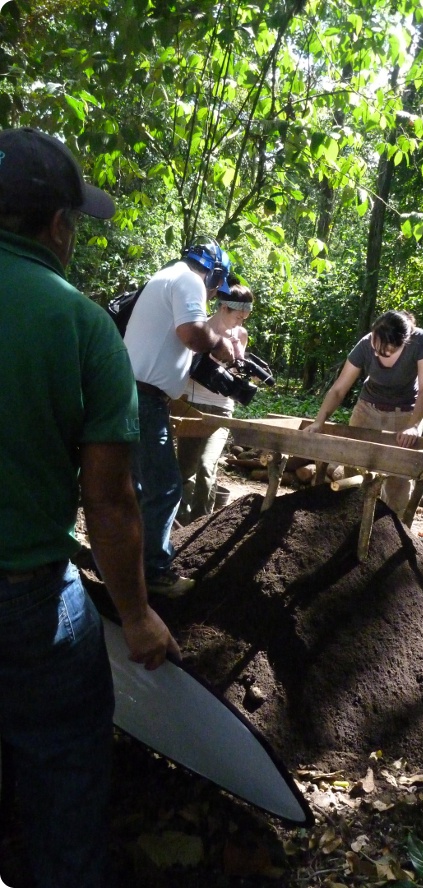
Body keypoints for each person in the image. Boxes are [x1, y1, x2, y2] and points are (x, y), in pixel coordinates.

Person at [0, 127, 179, 888]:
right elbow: (109, 502)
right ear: (57, 225)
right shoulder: (80, 325)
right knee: (62, 775)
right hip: (27, 602)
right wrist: (137, 616)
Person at [123, 235, 235, 596]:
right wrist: (220, 343)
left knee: (141, 487)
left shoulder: (166, 276)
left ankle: (131, 564)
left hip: (134, 393)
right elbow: (191, 334)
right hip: (145, 397)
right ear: (214, 274)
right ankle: (154, 572)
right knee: (167, 488)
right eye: (218, 286)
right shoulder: (189, 280)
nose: (216, 294)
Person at [306, 310, 423, 517]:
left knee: (398, 477)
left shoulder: (421, 342)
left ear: (404, 342)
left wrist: (413, 425)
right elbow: (339, 389)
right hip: (368, 408)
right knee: (352, 464)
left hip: (405, 411)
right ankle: (348, 519)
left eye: (385, 352)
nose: (377, 354)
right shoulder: (366, 344)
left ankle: (391, 525)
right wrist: (319, 421)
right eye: (375, 348)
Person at [177, 280, 254, 524]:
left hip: (221, 408)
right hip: (193, 405)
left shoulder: (241, 335)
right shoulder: (200, 328)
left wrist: (242, 373)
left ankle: (200, 525)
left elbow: (238, 373)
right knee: (185, 471)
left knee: (206, 466)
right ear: (223, 308)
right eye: (238, 316)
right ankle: (179, 525)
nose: (241, 321)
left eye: (245, 317)